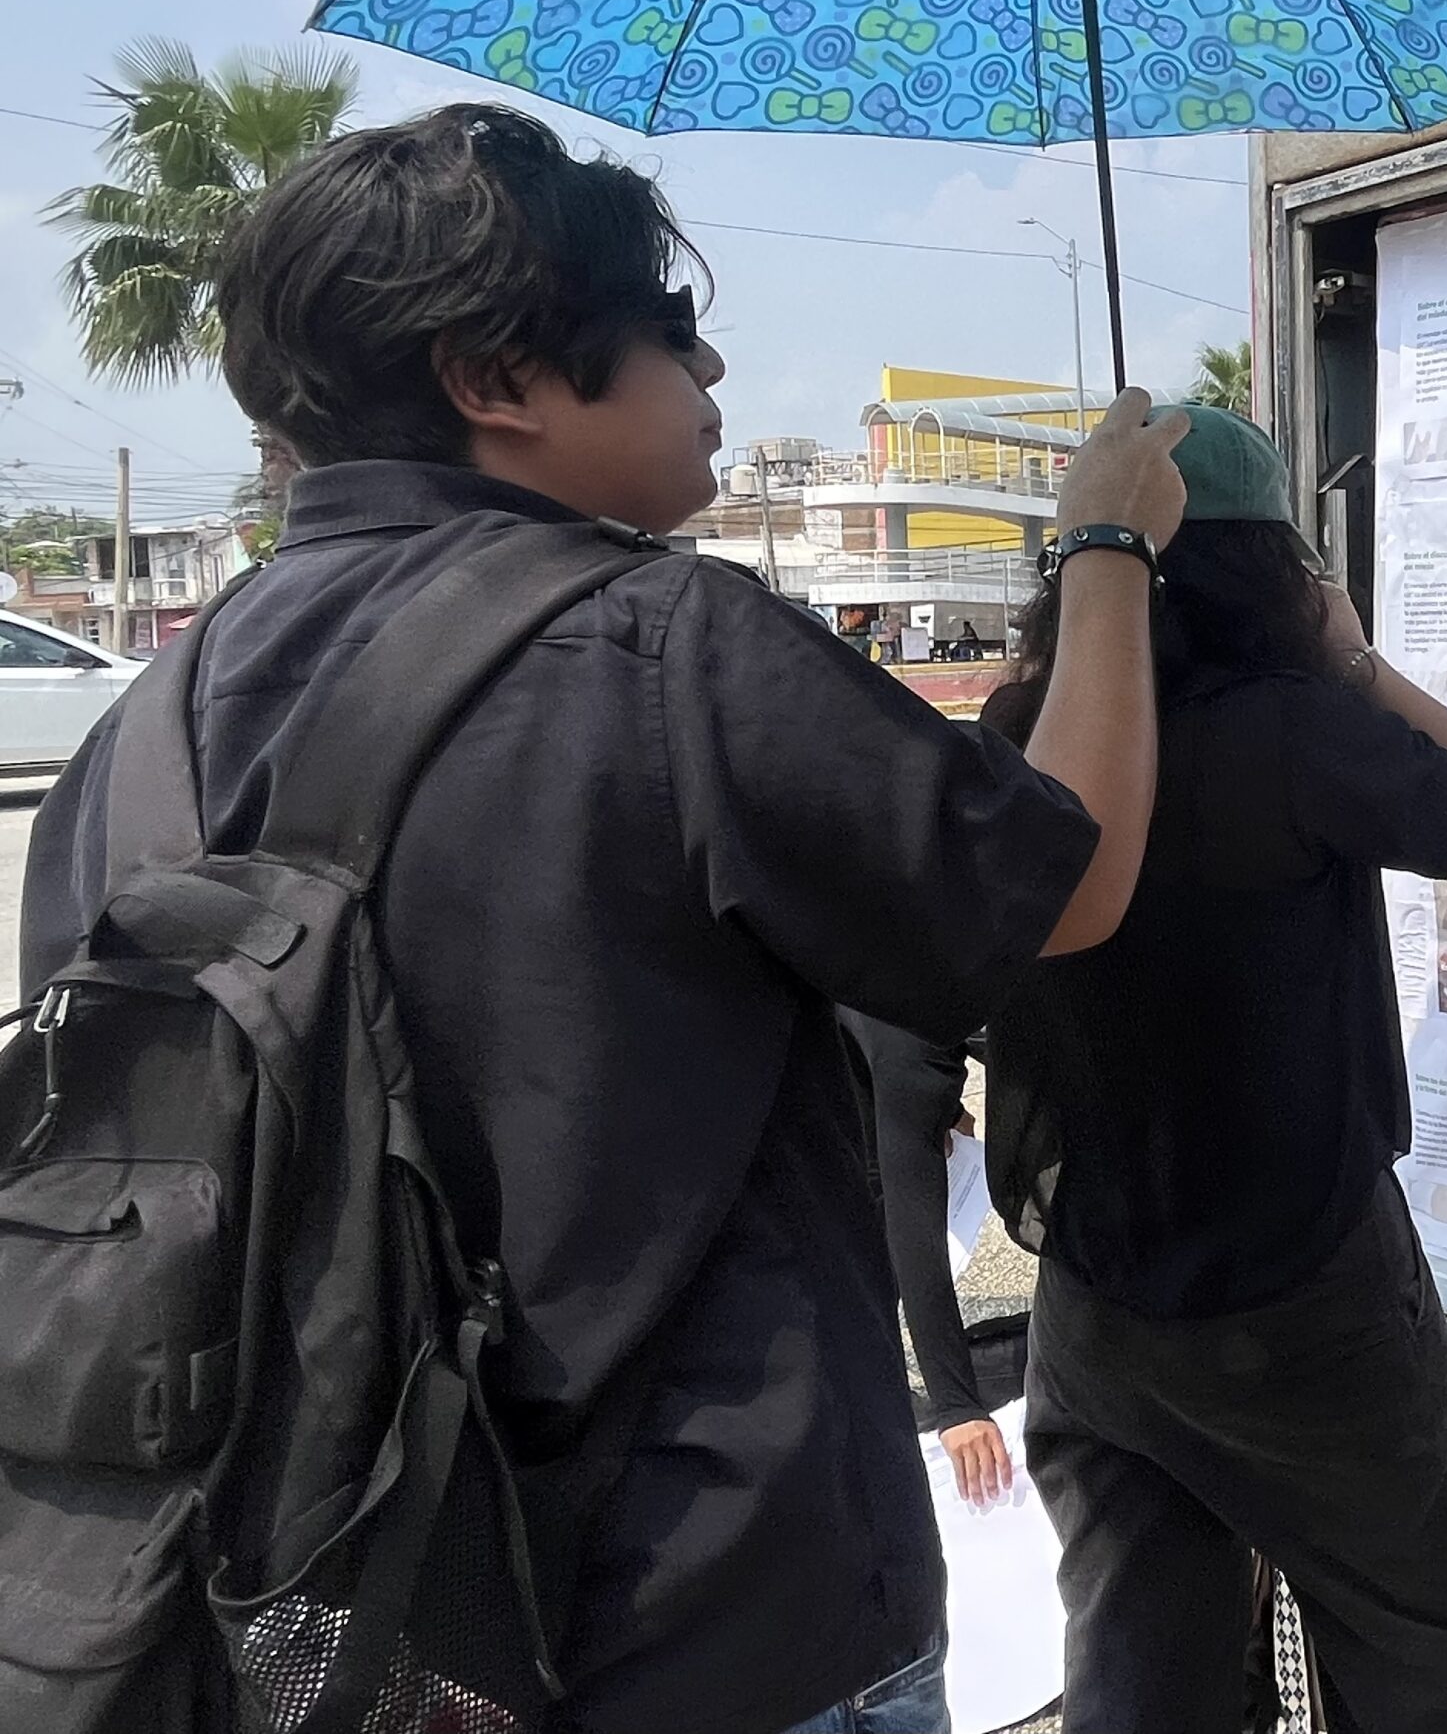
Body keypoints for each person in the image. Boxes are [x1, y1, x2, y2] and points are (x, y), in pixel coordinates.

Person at [19, 103, 1187, 1734]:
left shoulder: (144, 727)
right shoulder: (669, 646)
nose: (712, 373)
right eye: (669, 328)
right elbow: (1072, 883)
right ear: (494, 375)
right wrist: (1109, 547)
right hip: (709, 1614)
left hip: (327, 1631)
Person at [980, 407, 1447, 1733]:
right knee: (1416, 1650)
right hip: (1303, 1297)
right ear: (1275, 569)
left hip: (1094, 1290)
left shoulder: (1025, 727)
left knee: (1138, 1658)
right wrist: (1354, 655)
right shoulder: (1299, 730)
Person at [839, 1009, 1017, 1509]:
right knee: (875, 1196)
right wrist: (959, 1408)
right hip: (833, 1033)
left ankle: (874, 1397)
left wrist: (946, 1108)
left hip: (869, 1002)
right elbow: (914, 1229)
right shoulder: (914, 1044)